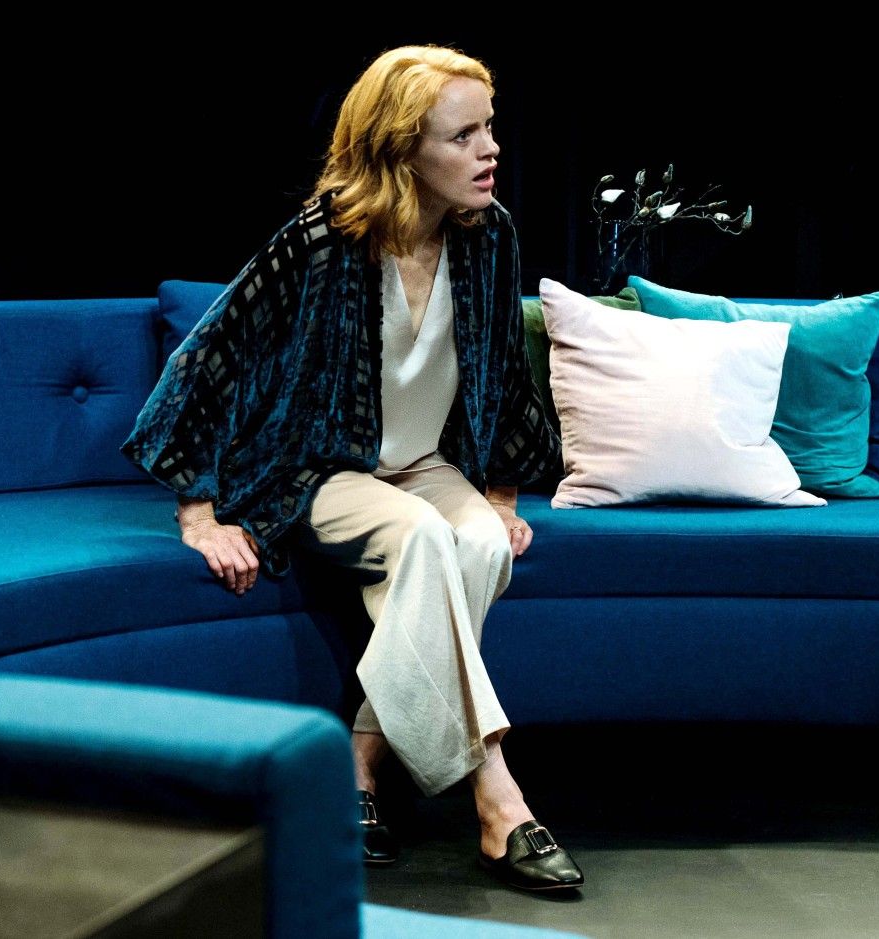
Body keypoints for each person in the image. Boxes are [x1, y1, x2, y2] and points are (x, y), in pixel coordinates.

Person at [122, 44, 581, 892]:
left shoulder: (489, 233)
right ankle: (497, 794)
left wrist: (501, 493)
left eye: (489, 128)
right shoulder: (323, 240)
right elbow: (208, 359)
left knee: (482, 543)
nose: (490, 150)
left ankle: (359, 762)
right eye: (463, 135)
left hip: (427, 463)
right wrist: (198, 511)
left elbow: (503, 372)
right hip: (317, 471)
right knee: (422, 539)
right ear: (402, 148)